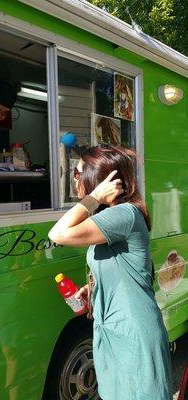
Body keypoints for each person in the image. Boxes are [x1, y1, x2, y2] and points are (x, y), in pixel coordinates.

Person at [48, 144, 172, 400]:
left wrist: (93, 197)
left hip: (134, 333)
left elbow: (58, 234)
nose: (75, 179)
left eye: (78, 173)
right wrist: (92, 288)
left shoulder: (124, 214)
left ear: (98, 180)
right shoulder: (110, 218)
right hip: (111, 330)